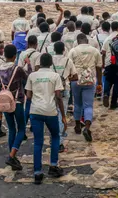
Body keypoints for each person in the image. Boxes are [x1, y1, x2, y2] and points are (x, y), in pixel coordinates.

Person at [25, 53, 66, 184]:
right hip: (50, 111)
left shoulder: (32, 76)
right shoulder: (55, 76)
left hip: (36, 111)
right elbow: (59, 96)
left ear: (40, 63)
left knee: (38, 142)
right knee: (55, 137)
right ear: (50, 63)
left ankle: (37, 172)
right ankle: (53, 165)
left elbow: (29, 95)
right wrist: (63, 116)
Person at [0, 44, 28, 171]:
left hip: (4, 103)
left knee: (11, 129)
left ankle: (12, 157)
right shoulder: (17, 69)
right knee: (22, 129)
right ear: (15, 56)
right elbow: (27, 79)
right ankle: (11, 155)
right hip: (17, 101)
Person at [69, 34, 103, 142]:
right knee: (88, 105)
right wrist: (100, 82)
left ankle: (78, 125)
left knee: (77, 103)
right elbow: (99, 68)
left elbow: (69, 66)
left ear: (78, 41)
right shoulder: (95, 51)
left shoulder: (73, 51)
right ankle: (87, 127)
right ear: (87, 41)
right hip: (90, 80)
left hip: (76, 80)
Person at [51, 41, 78, 152]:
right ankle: (60, 141)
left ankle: (53, 138)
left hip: (52, 90)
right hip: (64, 89)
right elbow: (75, 76)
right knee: (62, 115)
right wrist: (66, 79)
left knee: (52, 114)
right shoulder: (68, 60)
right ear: (63, 50)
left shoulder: (50, 60)